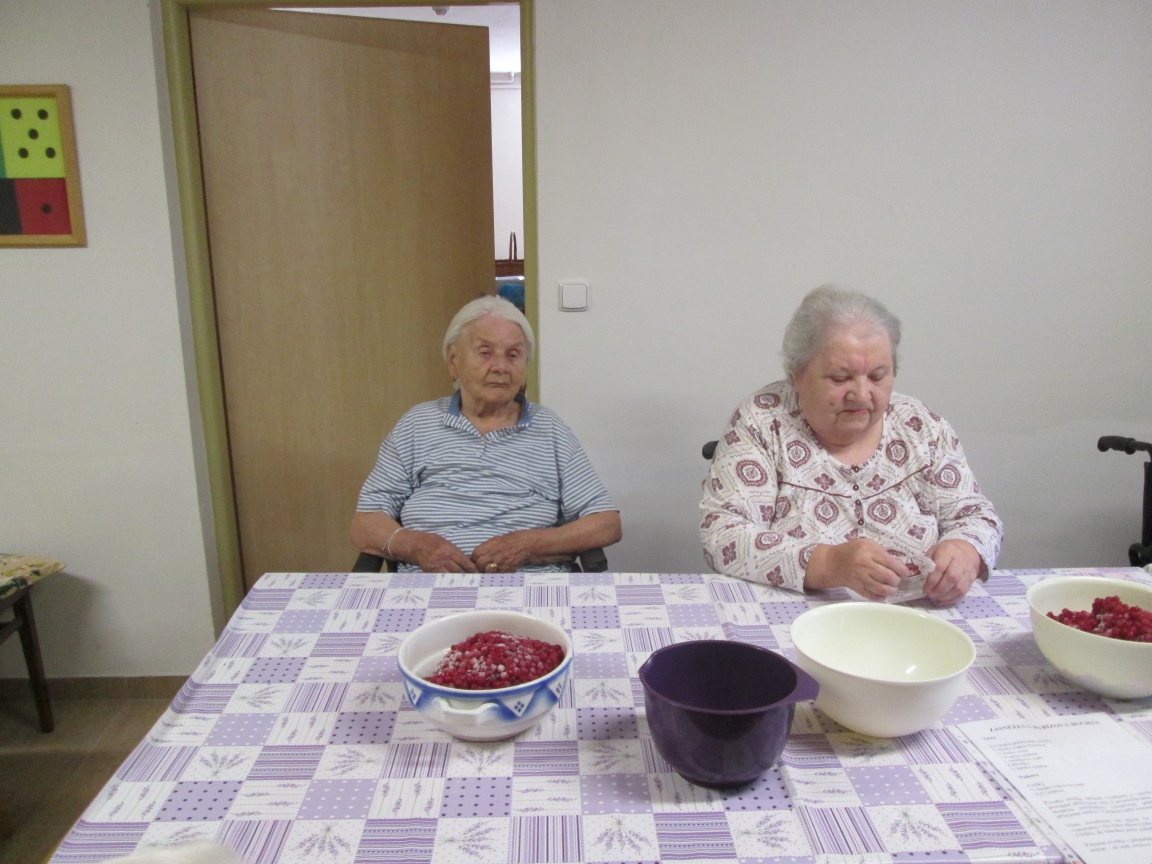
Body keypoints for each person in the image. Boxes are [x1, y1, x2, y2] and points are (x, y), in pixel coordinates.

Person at [700, 285, 1003, 605]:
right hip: (799, 619)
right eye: (840, 378)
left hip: (916, 617)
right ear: (796, 375)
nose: (860, 395)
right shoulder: (763, 422)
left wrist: (966, 550)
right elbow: (723, 535)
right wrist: (826, 564)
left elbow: (976, 515)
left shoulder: (921, 426)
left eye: (877, 376)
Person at [353, 295, 621, 573]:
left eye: (513, 355)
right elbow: (366, 523)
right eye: (485, 352)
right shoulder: (417, 424)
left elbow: (605, 523)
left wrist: (529, 545)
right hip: (427, 586)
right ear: (454, 362)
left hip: (531, 586)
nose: (500, 367)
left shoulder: (549, 428)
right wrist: (417, 546)